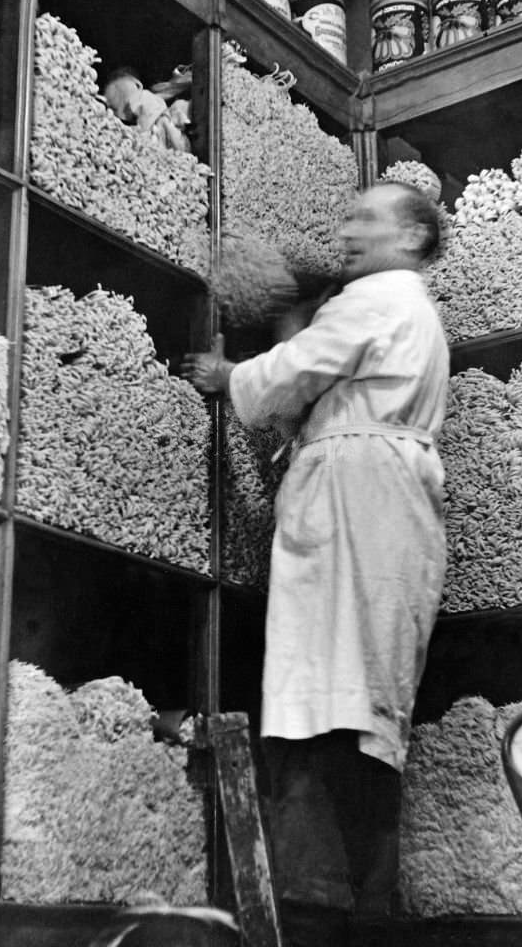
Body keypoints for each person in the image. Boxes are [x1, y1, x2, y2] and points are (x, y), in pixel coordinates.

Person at [182, 182, 449, 947]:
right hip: (382, 498)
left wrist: (232, 376)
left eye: (368, 219)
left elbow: (299, 369)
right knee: (359, 702)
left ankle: (341, 907)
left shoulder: (379, 296)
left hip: (357, 501)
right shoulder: (406, 309)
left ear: (412, 240)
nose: (349, 229)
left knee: (343, 702)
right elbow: (326, 380)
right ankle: (360, 902)